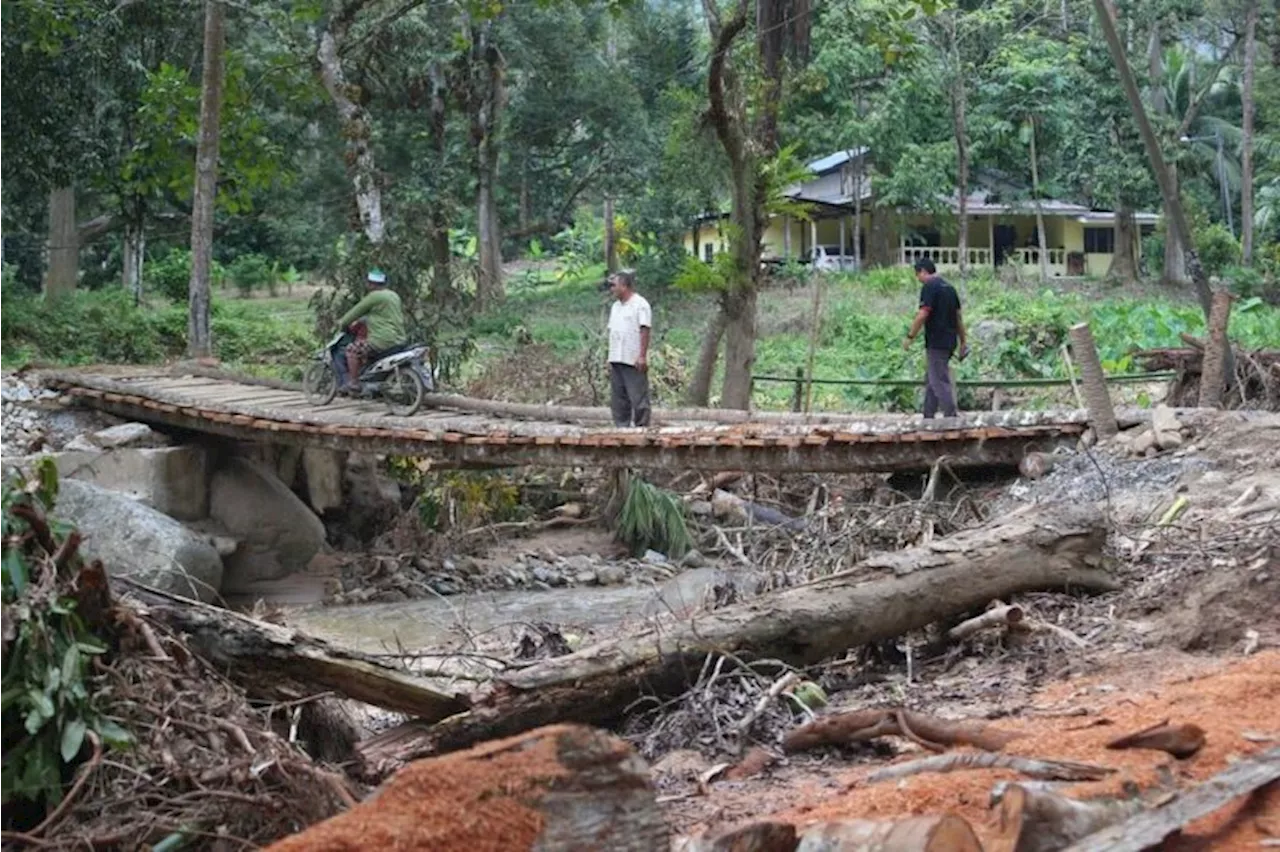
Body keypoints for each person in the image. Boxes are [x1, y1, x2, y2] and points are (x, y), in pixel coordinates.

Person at [903, 257, 967, 419]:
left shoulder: (930, 287)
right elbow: (958, 318)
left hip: (936, 340)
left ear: (923, 272)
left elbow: (923, 314)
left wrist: (910, 336)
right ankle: (928, 415)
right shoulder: (950, 288)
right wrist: (963, 341)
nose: (918, 279)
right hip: (950, 340)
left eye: (917, 275)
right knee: (932, 378)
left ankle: (951, 416)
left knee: (938, 379)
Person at [335, 268, 407, 392]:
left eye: (368, 283)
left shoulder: (374, 296)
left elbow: (354, 313)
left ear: (371, 284)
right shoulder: (394, 295)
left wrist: (342, 323)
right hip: (399, 339)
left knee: (352, 350)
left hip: (382, 340)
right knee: (366, 351)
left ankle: (353, 383)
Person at [605, 269, 652, 427]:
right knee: (618, 398)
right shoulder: (615, 307)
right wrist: (609, 355)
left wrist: (642, 356)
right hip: (617, 357)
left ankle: (642, 427)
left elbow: (644, 330)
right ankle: (621, 428)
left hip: (632, 359)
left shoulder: (640, 305)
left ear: (624, 286)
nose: (612, 289)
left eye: (614, 285)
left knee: (638, 396)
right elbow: (613, 331)